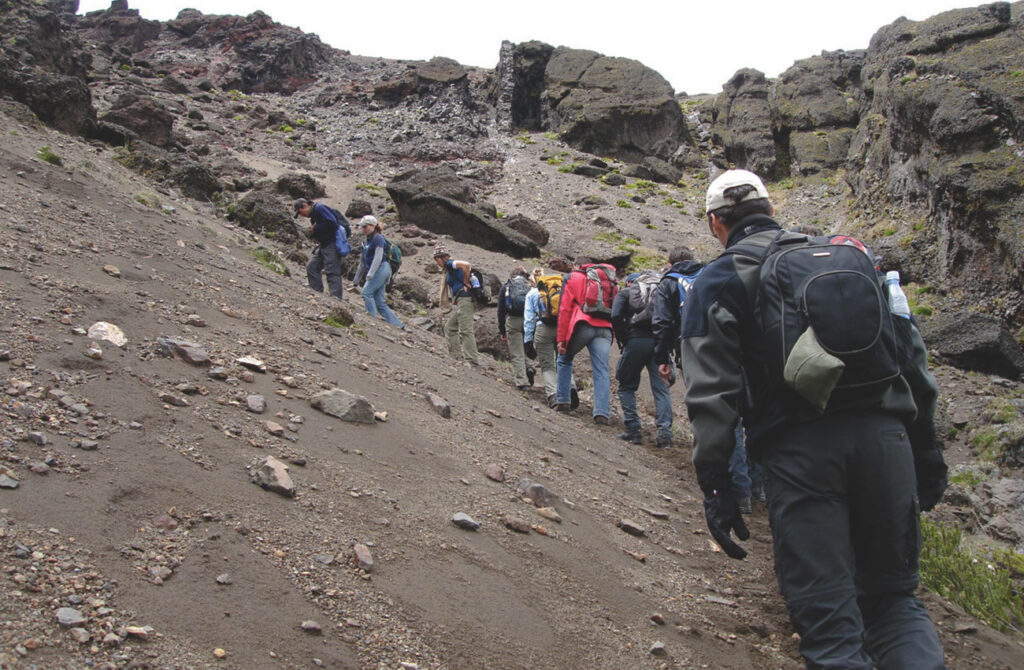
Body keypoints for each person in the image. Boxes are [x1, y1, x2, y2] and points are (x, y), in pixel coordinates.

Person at [680, 169, 947, 669]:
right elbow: (911, 355)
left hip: (800, 452)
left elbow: (711, 393)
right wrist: (925, 448)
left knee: (828, 620)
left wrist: (716, 485)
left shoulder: (719, 277)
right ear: (771, 209)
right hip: (886, 440)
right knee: (894, 602)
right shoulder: (852, 257)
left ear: (716, 222)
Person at [611, 272, 673, 447]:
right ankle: (665, 435)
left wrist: (624, 338)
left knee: (626, 385)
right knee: (661, 389)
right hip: (659, 342)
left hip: (636, 340)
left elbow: (615, 316)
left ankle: (633, 430)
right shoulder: (662, 292)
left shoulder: (626, 292)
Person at [555, 256, 615, 424]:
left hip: (582, 324)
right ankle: (602, 413)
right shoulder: (606, 278)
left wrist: (561, 339)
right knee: (601, 370)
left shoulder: (573, 278)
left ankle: (563, 401)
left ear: (576, 265)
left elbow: (565, 308)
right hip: (605, 327)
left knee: (565, 359)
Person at [524, 267, 577, 408]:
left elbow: (529, 320)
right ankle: (570, 387)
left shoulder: (532, 294)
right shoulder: (557, 290)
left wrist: (528, 340)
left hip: (543, 329)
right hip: (562, 327)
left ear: (532, 281)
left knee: (547, 366)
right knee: (564, 360)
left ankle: (553, 396)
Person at [434, 245, 479, 366]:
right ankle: (457, 357)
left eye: (437, 259)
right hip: (462, 300)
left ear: (442, 258)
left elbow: (466, 265)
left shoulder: (449, 264)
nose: (436, 262)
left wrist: (465, 281)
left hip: (465, 298)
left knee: (466, 330)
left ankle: (472, 360)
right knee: (449, 328)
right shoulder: (448, 269)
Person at [359, 216, 404, 329]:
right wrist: (356, 278)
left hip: (382, 268)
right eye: (363, 227)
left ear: (373, 226)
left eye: (366, 226)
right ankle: (399, 325)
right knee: (380, 302)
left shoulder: (378, 238)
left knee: (366, 292)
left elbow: (378, 257)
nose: (364, 229)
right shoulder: (367, 241)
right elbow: (362, 262)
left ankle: (372, 318)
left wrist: (371, 273)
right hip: (381, 270)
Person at [295, 197, 344, 299]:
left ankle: (336, 299)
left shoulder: (319, 208)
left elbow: (332, 223)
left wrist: (315, 228)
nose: (301, 215)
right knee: (312, 267)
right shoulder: (315, 215)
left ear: (304, 205)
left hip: (332, 244)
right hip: (324, 245)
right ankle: (317, 294)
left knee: (332, 271)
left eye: (300, 212)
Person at [497, 267, 535, 390]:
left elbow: (501, 311)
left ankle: (522, 382)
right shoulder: (529, 286)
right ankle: (530, 367)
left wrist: (502, 330)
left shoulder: (506, 287)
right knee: (526, 346)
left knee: (517, 352)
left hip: (513, 320)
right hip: (529, 320)